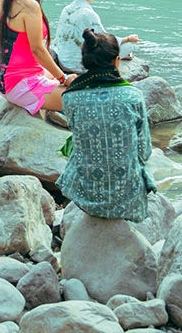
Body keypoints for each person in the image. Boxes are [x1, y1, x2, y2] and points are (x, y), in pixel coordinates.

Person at [56, 30, 154, 221]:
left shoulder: (70, 97)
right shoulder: (133, 96)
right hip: (127, 198)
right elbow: (144, 150)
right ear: (116, 61)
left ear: (85, 62)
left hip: (87, 198)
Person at [0, 0, 75, 114]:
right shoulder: (29, 6)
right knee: (80, 95)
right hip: (21, 84)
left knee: (76, 80)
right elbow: (37, 49)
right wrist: (63, 78)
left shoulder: (4, 1)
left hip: (4, 78)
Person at [52, 0, 141, 72]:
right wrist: (128, 39)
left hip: (63, 61)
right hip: (79, 64)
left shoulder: (66, 9)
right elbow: (106, 41)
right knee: (128, 46)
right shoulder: (88, 14)